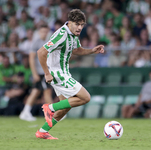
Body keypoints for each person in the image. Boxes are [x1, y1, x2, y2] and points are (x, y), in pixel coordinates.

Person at [36, 9, 104, 139]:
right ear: (70, 23)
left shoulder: (73, 34)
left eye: (82, 24)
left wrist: (92, 51)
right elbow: (41, 52)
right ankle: (50, 108)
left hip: (63, 72)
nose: (80, 27)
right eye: (77, 24)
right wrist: (46, 73)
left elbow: (77, 50)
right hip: (58, 74)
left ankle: (43, 131)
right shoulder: (61, 34)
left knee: (66, 106)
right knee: (85, 97)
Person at [19, 25, 53, 121]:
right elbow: (31, 58)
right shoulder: (36, 43)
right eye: (42, 31)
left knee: (35, 92)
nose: (44, 33)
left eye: (46, 32)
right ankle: (51, 114)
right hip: (40, 72)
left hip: (45, 71)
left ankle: (25, 112)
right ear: (38, 32)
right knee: (47, 92)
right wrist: (34, 73)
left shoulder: (48, 42)